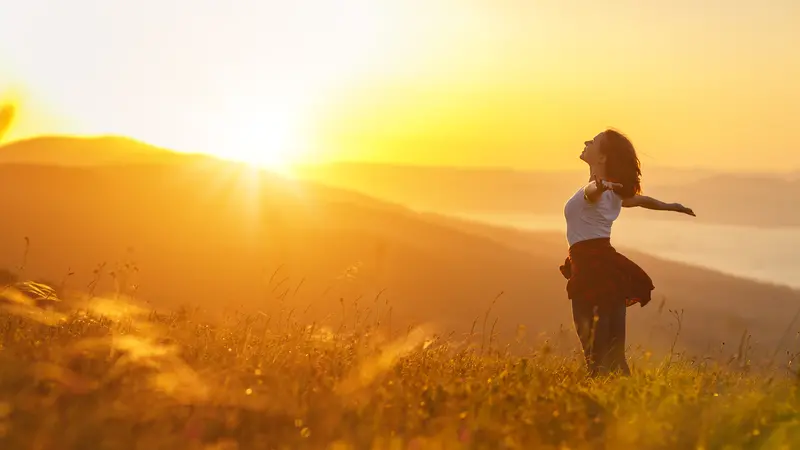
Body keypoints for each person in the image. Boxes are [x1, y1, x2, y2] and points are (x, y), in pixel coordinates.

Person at [559, 129, 695, 377]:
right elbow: (642, 200)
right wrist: (671, 207)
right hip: (606, 269)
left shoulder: (598, 191)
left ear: (602, 158)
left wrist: (599, 187)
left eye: (594, 141)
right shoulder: (612, 193)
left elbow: (593, 193)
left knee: (596, 356)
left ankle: (606, 408)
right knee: (612, 355)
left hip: (592, 270)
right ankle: (625, 401)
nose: (587, 141)